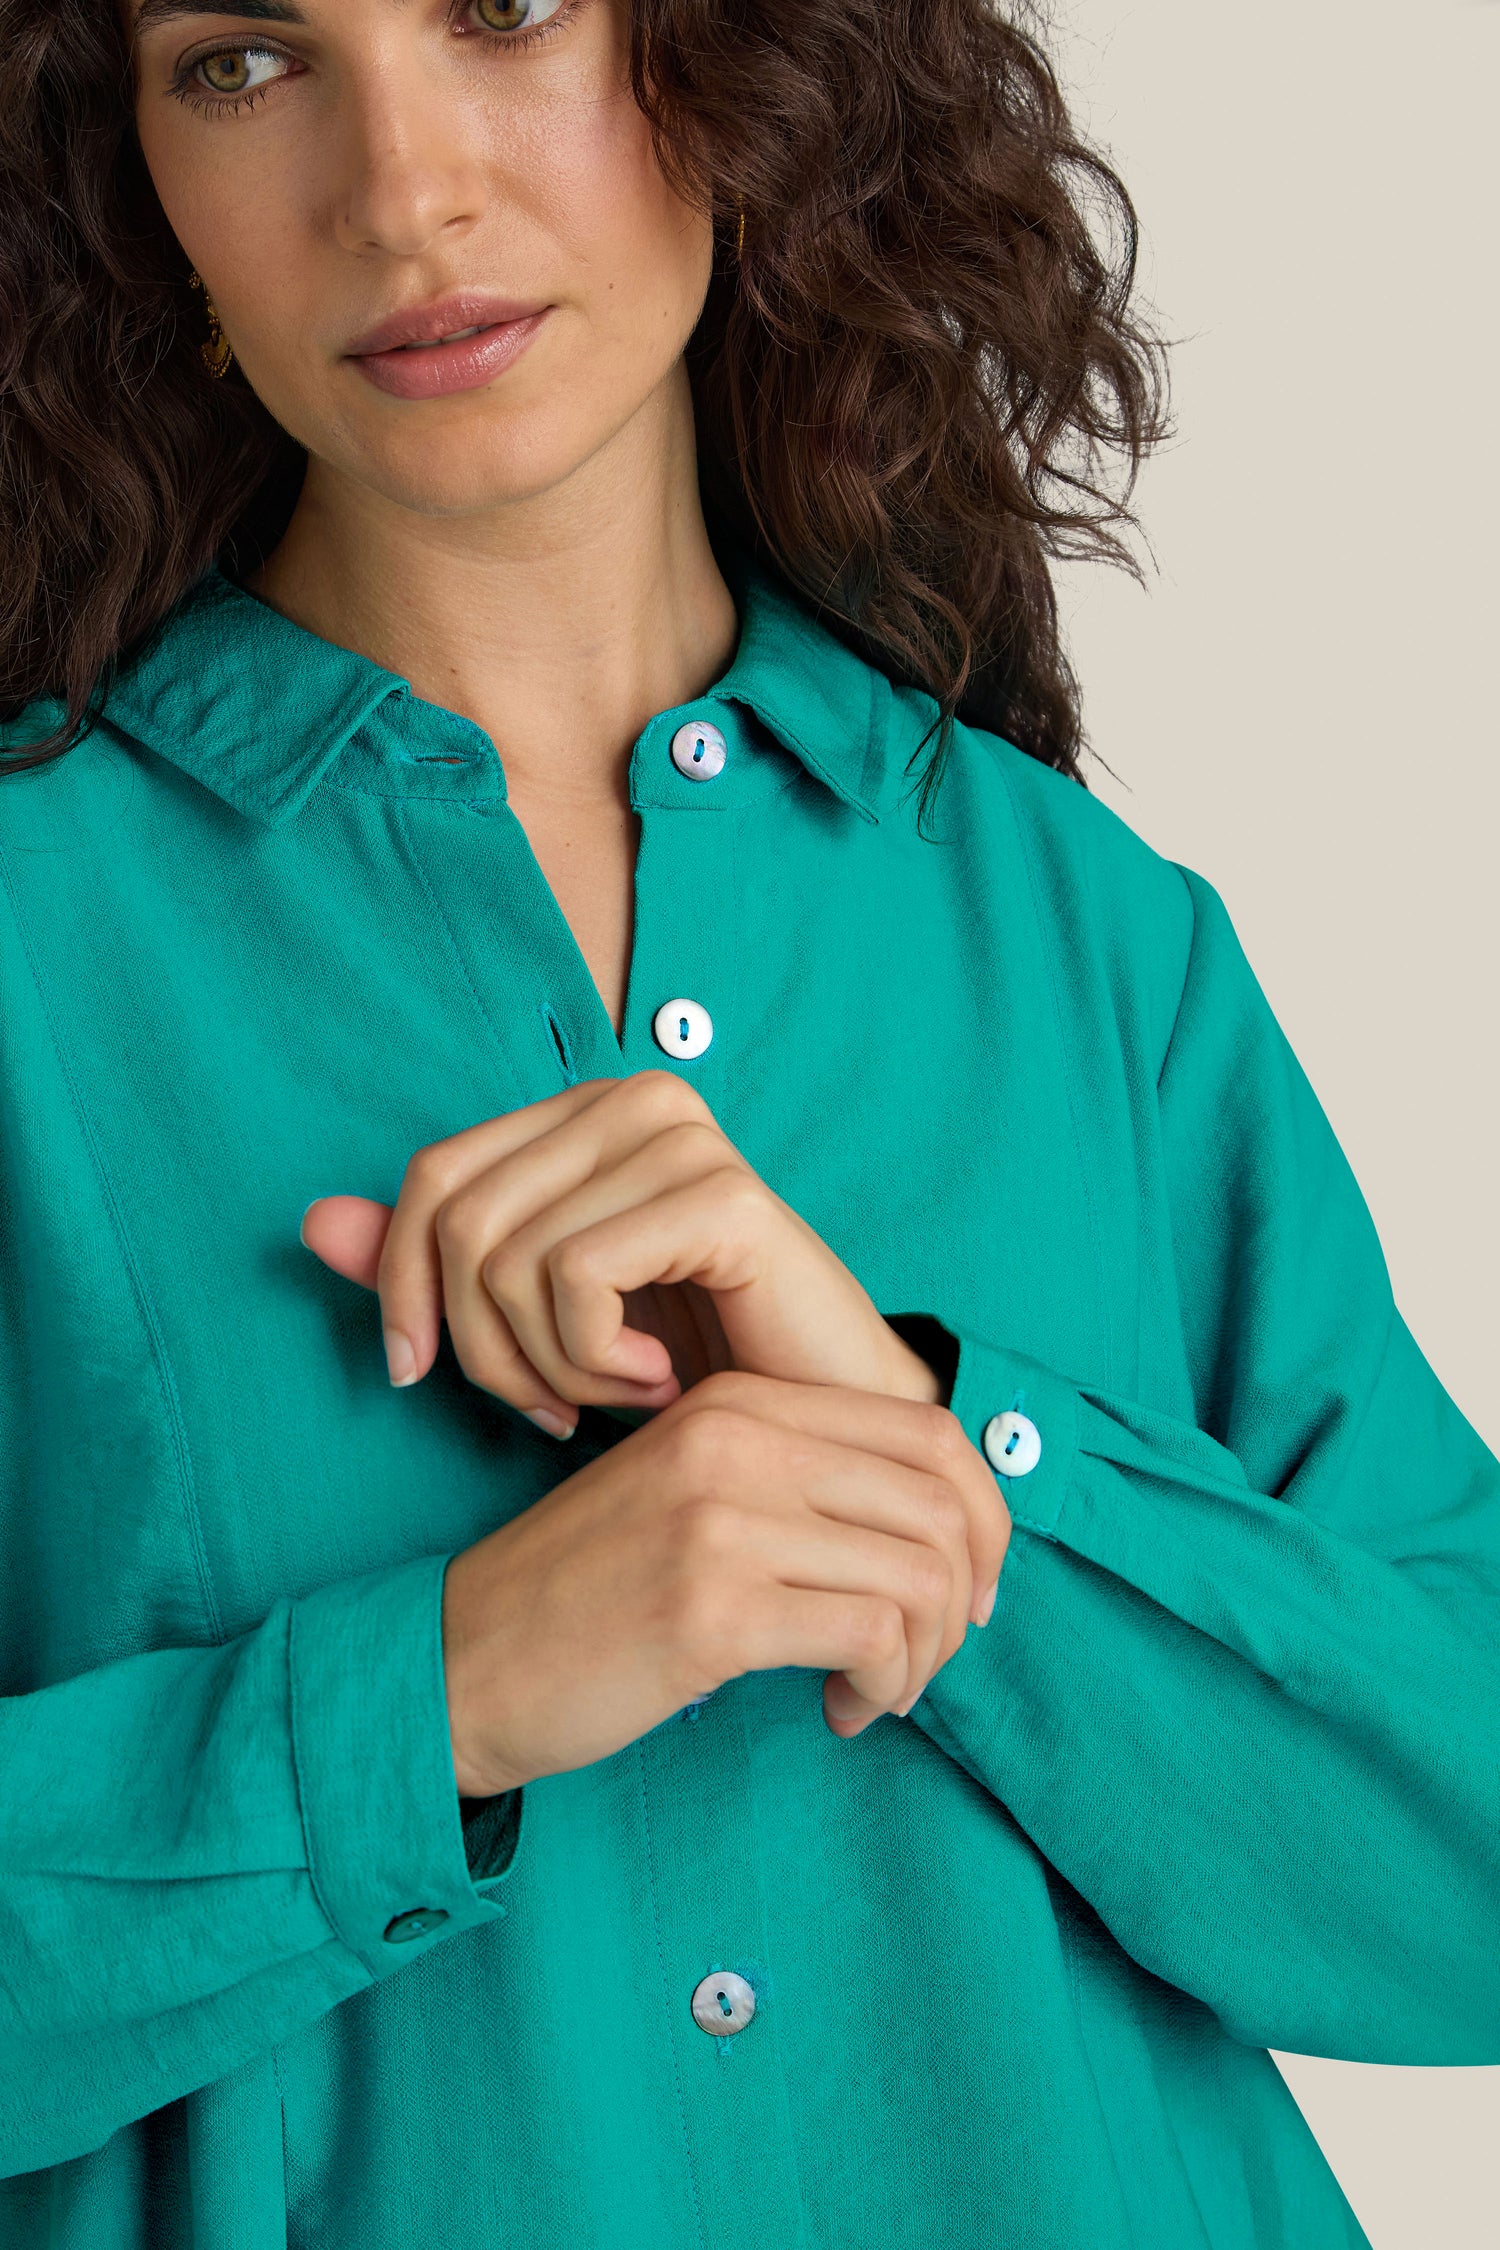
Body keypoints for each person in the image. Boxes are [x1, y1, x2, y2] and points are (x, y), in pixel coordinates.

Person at [0, 0, 1495, 2243]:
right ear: (123, 168)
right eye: (240, 60)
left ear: (743, 63)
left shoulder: (1094, 940)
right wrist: (446, 1696)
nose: (400, 192)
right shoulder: (32, 946)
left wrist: (917, 1433)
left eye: (503, 8)